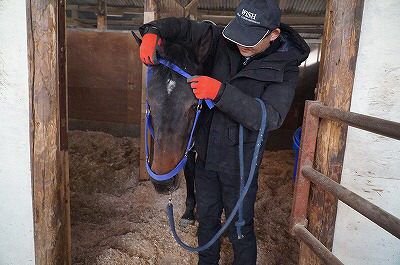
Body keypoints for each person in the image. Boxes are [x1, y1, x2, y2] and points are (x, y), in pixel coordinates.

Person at [139, 0, 310, 264]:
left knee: (240, 228)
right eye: (239, 33)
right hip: (207, 156)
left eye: (250, 39)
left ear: (273, 34)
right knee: (207, 222)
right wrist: (153, 31)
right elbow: (183, 28)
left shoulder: (285, 66)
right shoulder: (221, 40)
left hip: (241, 163)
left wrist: (219, 93)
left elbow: (270, 117)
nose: (241, 44)